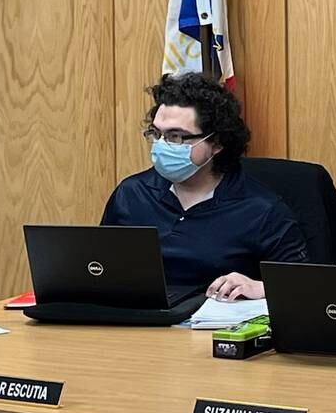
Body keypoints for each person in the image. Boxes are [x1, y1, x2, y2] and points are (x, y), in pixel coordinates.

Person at [101, 72, 307, 301]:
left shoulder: (262, 209)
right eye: (156, 134)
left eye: (176, 137)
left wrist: (259, 287)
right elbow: (98, 268)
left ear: (217, 143)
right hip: (138, 325)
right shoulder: (131, 193)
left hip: (213, 328)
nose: (161, 145)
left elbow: (305, 286)